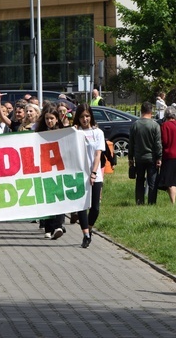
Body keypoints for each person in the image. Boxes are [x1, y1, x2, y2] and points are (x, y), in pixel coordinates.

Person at [73, 103, 105, 248]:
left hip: (94, 174)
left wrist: (93, 173)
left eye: (87, 116)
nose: (85, 119)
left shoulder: (98, 133)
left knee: (95, 207)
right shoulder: (75, 132)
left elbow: (98, 154)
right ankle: (85, 234)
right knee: (82, 205)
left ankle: (90, 228)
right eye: (81, 117)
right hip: (79, 174)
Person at [36, 104, 66, 239]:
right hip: (44, 169)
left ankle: (58, 226)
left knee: (59, 197)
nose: (49, 121)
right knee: (48, 198)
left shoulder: (63, 132)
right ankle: (48, 227)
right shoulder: (39, 134)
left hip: (59, 169)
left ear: (57, 119)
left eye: (52, 118)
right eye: (47, 119)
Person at [128, 102, 162, 205]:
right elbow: (158, 144)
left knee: (139, 180)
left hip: (139, 158)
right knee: (152, 182)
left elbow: (131, 144)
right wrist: (159, 157)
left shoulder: (135, 125)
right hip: (151, 158)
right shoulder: (155, 125)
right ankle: (151, 202)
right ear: (151, 112)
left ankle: (139, 201)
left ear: (141, 111)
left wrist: (130, 158)